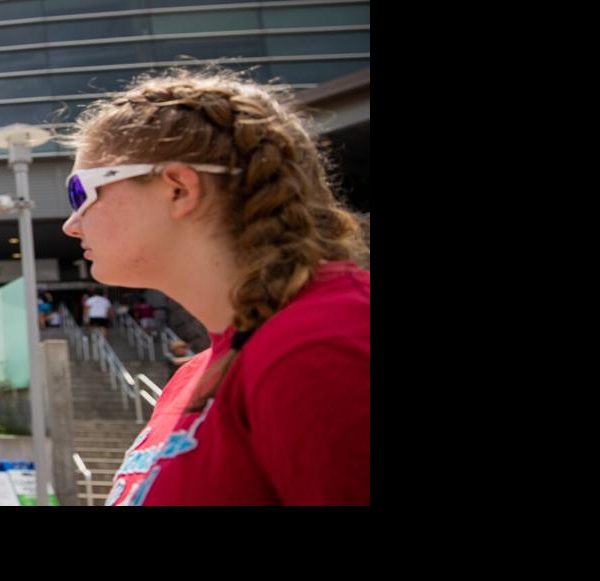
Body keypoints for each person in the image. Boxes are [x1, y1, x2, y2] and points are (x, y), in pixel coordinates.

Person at [61, 70, 370, 505]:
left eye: (80, 193)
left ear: (178, 188)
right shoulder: (196, 373)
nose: (71, 225)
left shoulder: (323, 344)